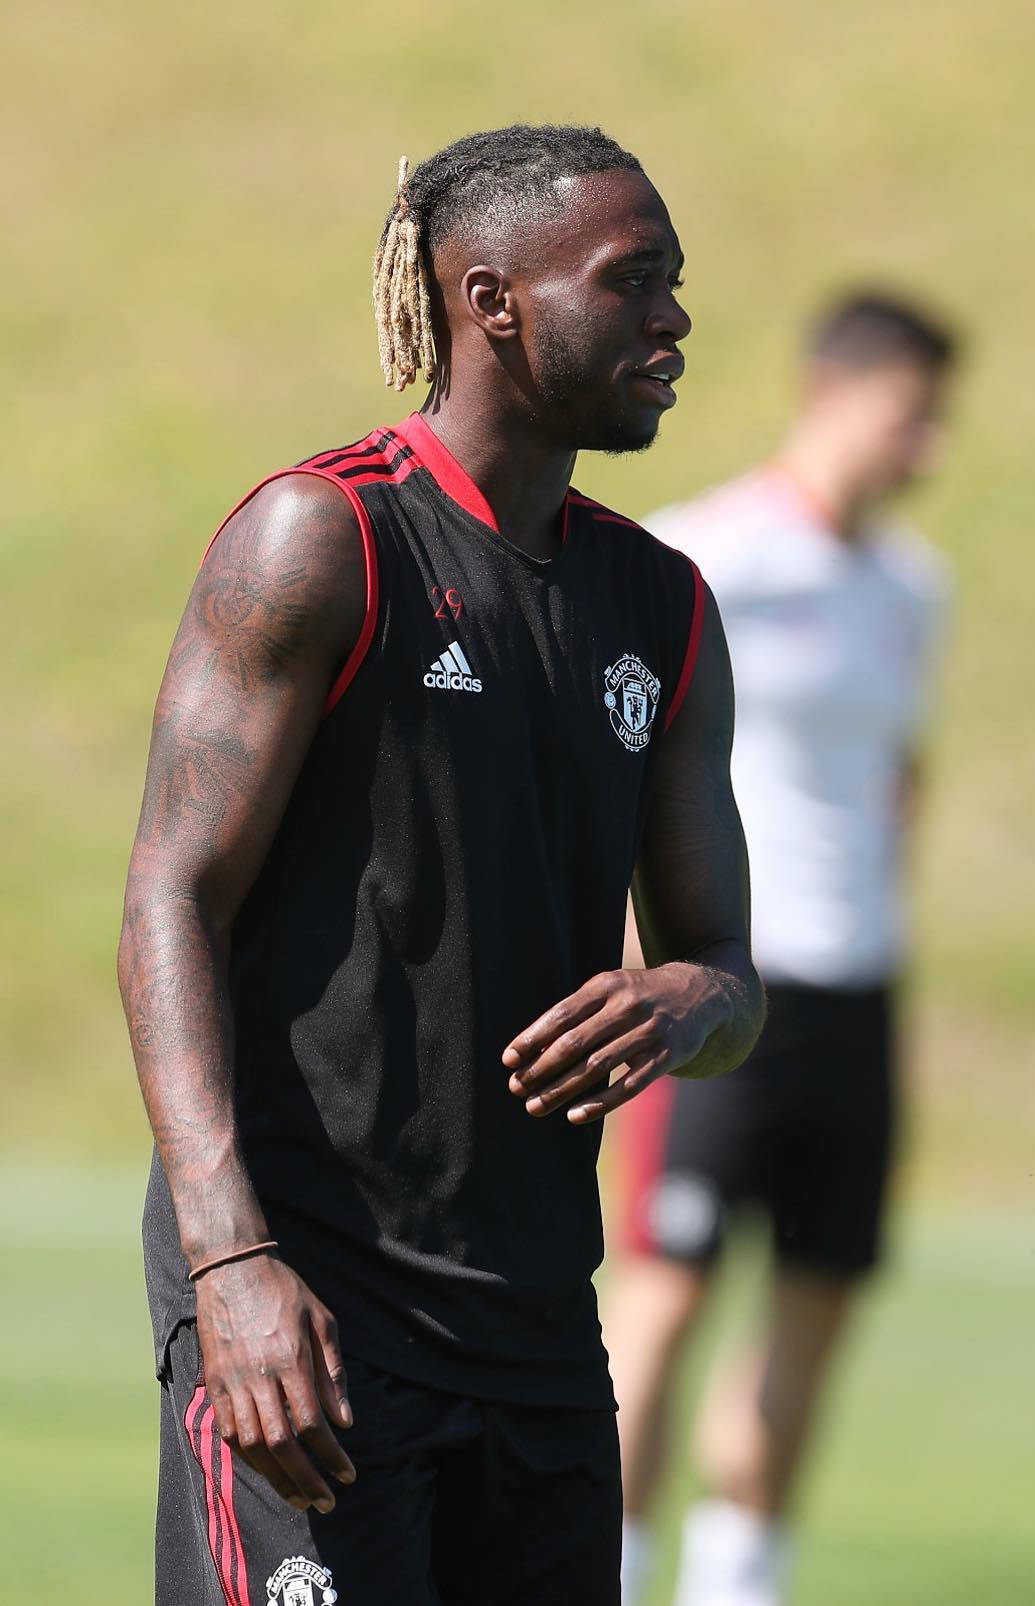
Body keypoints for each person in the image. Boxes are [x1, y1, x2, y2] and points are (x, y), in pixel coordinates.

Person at [117, 124, 765, 1606]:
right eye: (634, 281)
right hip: (311, 1312)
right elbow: (171, 895)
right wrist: (230, 1267)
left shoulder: (662, 606)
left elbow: (730, 976)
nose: (674, 320)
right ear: (492, 303)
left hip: (538, 1332)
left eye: (676, 282)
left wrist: (684, 1002)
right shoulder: (319, 538)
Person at [605, 293, 957, 1606]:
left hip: (859, 991)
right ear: (834, 389)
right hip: (719, 991)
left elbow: (902, 776)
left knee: (817, 1303)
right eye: (912, 413)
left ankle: (737, 1584)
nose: (928, 447)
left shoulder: (914, 588)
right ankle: (614, 1573)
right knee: (667, 1295)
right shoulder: (702, 555)